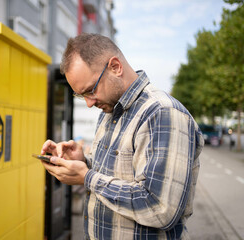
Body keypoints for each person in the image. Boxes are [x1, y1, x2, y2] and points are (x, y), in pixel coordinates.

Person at [40, 33, 204, 239]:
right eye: (81, 95)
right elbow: (119, 175)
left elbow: (160, 208)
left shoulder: (162, 113)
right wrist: (83, 163)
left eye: (90, 90)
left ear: (115, 67)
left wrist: (87, 177)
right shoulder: (109, 111)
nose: (89, 103)